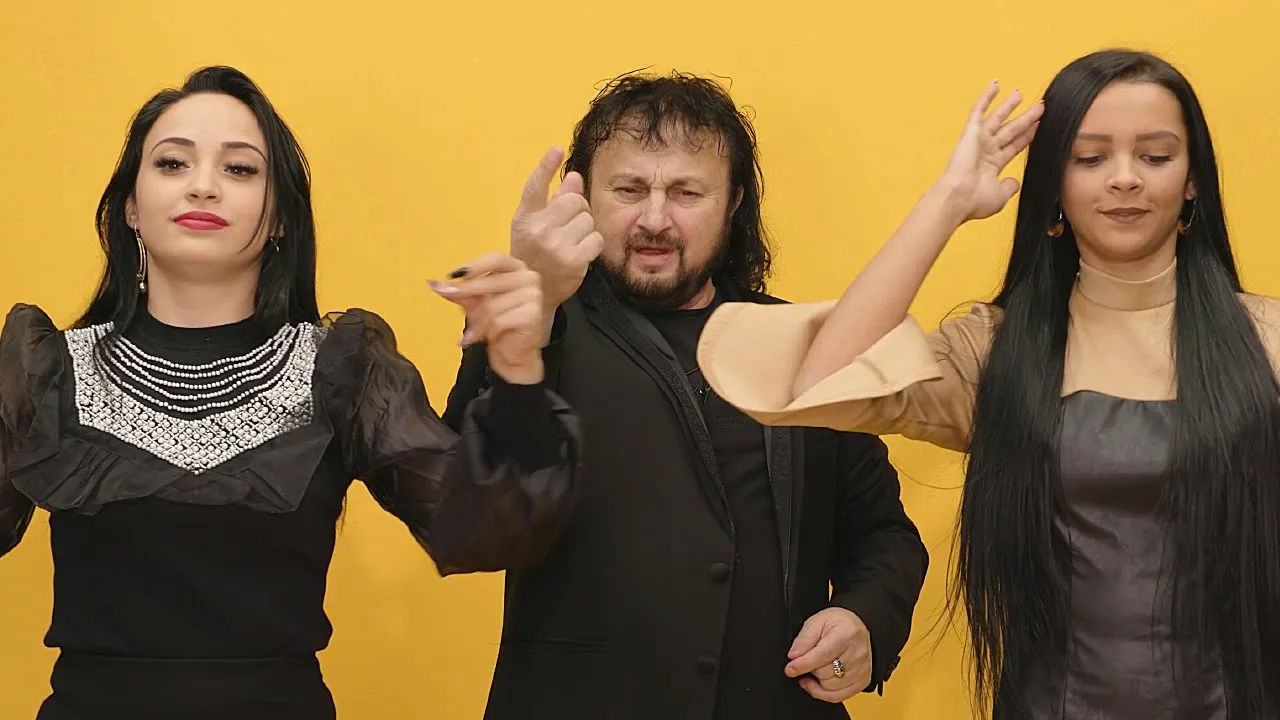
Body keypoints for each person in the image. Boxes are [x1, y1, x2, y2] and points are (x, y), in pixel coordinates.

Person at [697, 48, 1280, 719]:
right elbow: (821, 385)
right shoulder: (995, 352)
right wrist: (947, 202)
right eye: (1090, 158)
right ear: (1053, 185)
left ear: (1193, 180)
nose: (1124, 179)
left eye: (1154, 156)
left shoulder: (1266, 340)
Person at [0, 65, 587, 720]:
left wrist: (517, 364)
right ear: (131, 206)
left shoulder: (343, 370)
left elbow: (486, 531)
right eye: (171, 163)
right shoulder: (46, 369)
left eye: (239, 169)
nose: (202, 185)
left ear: (280, 215)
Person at [442, 71, 929, 720]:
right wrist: (527, 316)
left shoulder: (808, 341)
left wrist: (864, 618)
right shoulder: (539, 331)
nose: (654, 218)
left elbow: (884, 535)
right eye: (628, 189)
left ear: (732, 204)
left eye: (686, 192)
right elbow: (463, 509)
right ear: (581, 198)